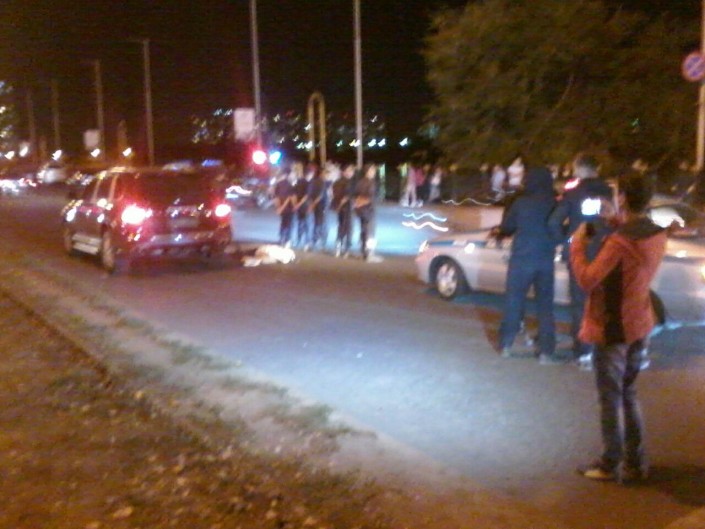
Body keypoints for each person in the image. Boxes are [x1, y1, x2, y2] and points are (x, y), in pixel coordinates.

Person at [572, 172, 667, 482]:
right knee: (629, 393)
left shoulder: (620, 242)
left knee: (610, 398)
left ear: (623, 197)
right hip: (640, 321)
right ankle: (635, 463)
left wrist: (577, 244)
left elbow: (588, 279)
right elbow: (632, 244)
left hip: (614, 328)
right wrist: (615, 220)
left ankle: (609, 463)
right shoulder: (655, 232)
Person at [548, 153, 613, 361]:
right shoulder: (609, 192)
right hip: (604, 252)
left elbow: (554, 222)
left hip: (579, 253)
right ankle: (600, 346)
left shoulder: (573, 193)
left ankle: (584, 350)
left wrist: (565, 240)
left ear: (579, 169)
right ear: (597, 169)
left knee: (579, 302)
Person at [495, 167, 561, 365]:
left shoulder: (521, 203)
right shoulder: (554, 203)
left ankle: (506, 345)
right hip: (545, 260)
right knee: (545, 306)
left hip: (521, 259)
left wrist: (503, 233)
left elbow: (507, 227)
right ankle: (546, 352)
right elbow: (560, 229)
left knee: (514, 301)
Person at [353, 164, 377, 261]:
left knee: (363, 230)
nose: (374, 172)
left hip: (360, 210)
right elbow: (370, 197)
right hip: (368, 209)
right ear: (368, 171)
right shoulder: (370, 183)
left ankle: (363, 250)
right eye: (372, 170)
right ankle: (368, 253)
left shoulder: (360, 182)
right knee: (369, 232)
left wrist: (358, 203)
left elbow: (356, 195)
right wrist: (362, 202)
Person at [331, 164, 355, 257]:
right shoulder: (349, 183)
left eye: (352, 171)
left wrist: (337, 206)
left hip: (339, 208)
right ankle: (346, 249)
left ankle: (338, 247)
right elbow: (347, 197)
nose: (351, 172)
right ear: (344, 172)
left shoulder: (336, 182)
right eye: (349, 170)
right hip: (347, 207)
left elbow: (334, 194)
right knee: (348, 228)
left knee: (340, 227)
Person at [273, 170, 296, 247]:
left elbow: (276, 197)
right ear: (288, 175)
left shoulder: (278, 184)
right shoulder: (290, 185)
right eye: (292, 174)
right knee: (289, 224)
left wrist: (278, 208)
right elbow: (289, 198)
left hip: (281, 208)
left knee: (283, 223)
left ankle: (281, 239)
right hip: (288, 208)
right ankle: (287, 240)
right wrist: (294, 206)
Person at [308, 164, 328, 250]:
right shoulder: (321, 182)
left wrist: (311, 204)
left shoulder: (312, 181)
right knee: (320, 223)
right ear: (321, 173)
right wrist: (313, 204)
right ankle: (318, 240)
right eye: (325, 173)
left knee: (316, 222)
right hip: (321, 205)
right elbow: (320, 196)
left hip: (315, 204)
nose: (326, 175)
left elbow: (309, 194)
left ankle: (314, 239)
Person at [292, 163, 311, 250]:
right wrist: (299, 204)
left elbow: (294, 194)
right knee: (306, 224)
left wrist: (296, 205)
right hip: (305, 206)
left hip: (299, 206)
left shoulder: (298, 182)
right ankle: (306, 243)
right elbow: (306, 196)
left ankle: (299, 240)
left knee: (300, 223)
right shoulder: (308, 183)